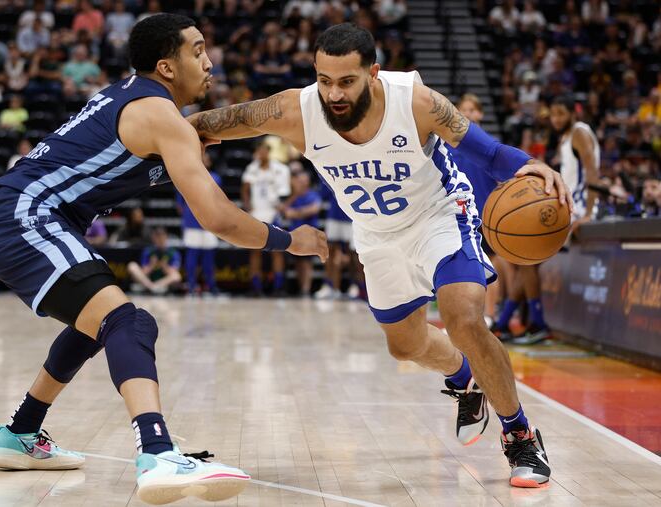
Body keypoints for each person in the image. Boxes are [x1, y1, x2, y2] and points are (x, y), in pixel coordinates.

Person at [190, 23, 573, 488]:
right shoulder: (296, 110)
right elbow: (215, 123)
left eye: (346, 81)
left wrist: (533, 166)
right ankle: (464, 377)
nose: (333, 93)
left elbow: (488, 153)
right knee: (405, 346)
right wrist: (161, 134)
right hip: (375, 233)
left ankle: (520, 435)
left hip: (440, 214)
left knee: (464, 318)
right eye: (324, 80)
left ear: (373, 73)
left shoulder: (415, 102)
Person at [0, 14, 326, 505]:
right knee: (127, 322)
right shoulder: (158, 115)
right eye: (198, 50)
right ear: (166, 65)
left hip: (17, 216)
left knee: (94, 325)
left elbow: (204, 127)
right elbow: (219, 219)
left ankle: (20, 433)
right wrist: (292, 242)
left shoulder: (143, 103)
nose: (209, 61)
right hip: (26, 216)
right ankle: (157, 452)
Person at [498, 96, 600, 345]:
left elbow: (592, 172)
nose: (556, 119)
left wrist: (588, 212)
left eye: (560, 114)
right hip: (568, 205)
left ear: (572, 113)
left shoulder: (579, 132)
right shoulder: (566, 137)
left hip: (576, 208)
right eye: (552, 114)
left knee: (526, 259)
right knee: (525, 259)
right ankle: (503, 324)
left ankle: (537, 324)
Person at [450, 94, 514, 329]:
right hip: (456, 215)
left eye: (472, 109)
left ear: (481, 114)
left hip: (487, 215)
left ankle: (489, 315)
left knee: (490, 267)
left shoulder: (491, 146)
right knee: (458, 268)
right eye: (463, 109)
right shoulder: (446, 146)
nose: (468, 113)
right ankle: (463, 318)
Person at [241, 139, 291, 296]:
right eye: (259, 150)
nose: (261, 153)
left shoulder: (280, 169)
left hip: (273, 213)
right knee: (255, 251)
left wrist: (283, 205)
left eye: (264, 150)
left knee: (277, 251)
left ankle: (278, 286)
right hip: (257, 213)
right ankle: (255, 287)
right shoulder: (251, 168)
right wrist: (247, 204)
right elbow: (245, 188)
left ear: (268, 151)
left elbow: (286, 192)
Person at [176, 151, 221, 295]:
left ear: (209, 162)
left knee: (209, 257)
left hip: (210, 221)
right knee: (192, 255)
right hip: (192, 221)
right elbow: (180, 203)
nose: (203, 159)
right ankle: (191, 285)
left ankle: (211, 286)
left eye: (206, 158)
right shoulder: (186, 175)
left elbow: (218, 200)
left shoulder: (215, 178)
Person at [280, 166, 321, 296]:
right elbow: (284, 210)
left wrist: (296, 213)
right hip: (295, 234)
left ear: (308, 181)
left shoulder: (313, 195)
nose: (301, 183)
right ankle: (300, 288)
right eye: (299, 180)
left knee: (306, 262)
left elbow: (314, 209)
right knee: (297, 262)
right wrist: (294, 196)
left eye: (303, 180)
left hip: (309, 234)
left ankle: (306, 289)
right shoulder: (294, 197)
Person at [127, 227, 182, 295]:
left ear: (166, 237)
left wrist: (164, 266)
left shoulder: (173, 252)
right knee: (132, 265)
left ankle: (154, 287)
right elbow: (143, 273)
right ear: (154, 238)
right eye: (157, 237)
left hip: (163, 282)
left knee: (177, 276)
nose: (160, 239)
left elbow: (174, 272)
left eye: (162, 236)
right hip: (149, 280)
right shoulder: (148, 251)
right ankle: (151, 287)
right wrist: (151, 265)